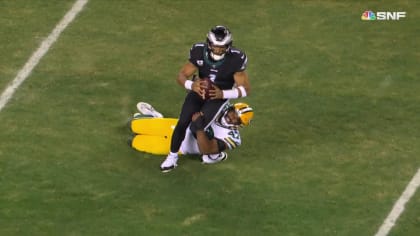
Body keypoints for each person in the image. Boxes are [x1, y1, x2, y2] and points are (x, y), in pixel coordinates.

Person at [161, 25, 251, 172]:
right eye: (215, 45)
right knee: (183, 122)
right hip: (199, 91)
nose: (218, 49)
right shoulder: (198, 51)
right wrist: (192, 85)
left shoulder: (236, 58)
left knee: (198, 124)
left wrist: (222, 94)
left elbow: (245, 89)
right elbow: (181, 76)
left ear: (228, 45)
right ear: (209, 43)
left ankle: (212, 153)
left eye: (222, 46)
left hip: (218, 97)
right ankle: (172, 157)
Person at [129, 102, 254, 172]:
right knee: (135, 125)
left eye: (237, 119)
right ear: (231, 108)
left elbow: (206, 149)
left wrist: (199, 128)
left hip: (181, 147)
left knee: (136, 142)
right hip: (178, 127)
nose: (232, 118)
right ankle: (156, 117)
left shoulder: (233, 138)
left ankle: (214, 156)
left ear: (239, 125)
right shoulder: (221, 106)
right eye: (233, 113)